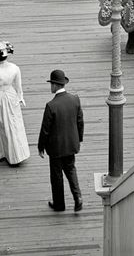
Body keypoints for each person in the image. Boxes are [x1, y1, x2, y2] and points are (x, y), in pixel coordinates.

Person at [38, 69, 84, 213]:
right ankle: (78, 198)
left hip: (56, 148)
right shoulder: (75, 99)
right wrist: (79, 138)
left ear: (55, 85)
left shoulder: (51, 105)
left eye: (51, 84)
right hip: (71, 144)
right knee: (71, 170)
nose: (50, 87)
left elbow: (45, 129)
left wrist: (41, 146)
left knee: (56, 175)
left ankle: (59, 204)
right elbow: (80, 121)